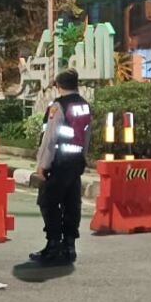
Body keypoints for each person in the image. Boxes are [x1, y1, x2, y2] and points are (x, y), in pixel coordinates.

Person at [33, 68, 91, 264]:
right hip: (76, 162)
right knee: (72, 204)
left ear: (58, 86)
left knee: (48, 202)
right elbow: (87, 135)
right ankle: (69, 246)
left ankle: (53, 246)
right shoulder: (84, 105)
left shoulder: (58, 106)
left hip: (59, 162)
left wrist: (42, 165)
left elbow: (50, 139)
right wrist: (83, 158)